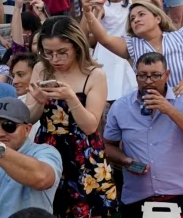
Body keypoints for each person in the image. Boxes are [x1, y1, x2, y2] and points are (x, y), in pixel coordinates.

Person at [25, 17, 117, 218]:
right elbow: (29, 119)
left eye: (61, 52)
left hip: (82, 152)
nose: (55, 59)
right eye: (48, 53)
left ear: (76, 46)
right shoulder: (42, 68)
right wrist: (39, 101)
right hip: (48, 149)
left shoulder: (94, 74)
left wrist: (71, 98)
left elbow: (90, 126)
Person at [103, 52, 183, 216]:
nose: (148, 82)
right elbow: (107, 145)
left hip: (179, 197)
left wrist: (169, 109)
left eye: (155, 76)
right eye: (142, 76)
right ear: (135, 75)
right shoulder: (121, 107)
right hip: (136, 199)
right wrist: (126, 161)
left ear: (167, 75)